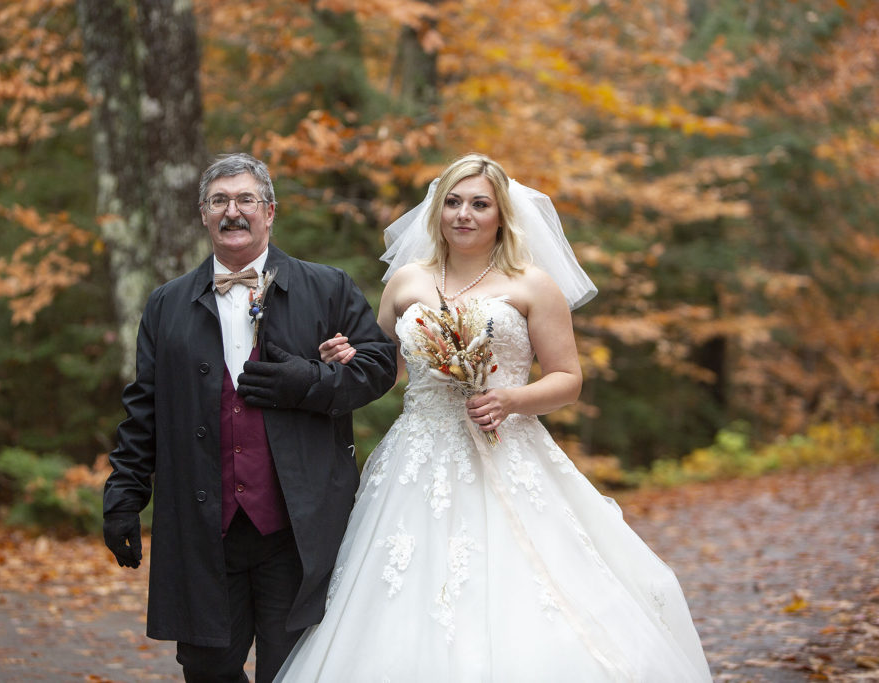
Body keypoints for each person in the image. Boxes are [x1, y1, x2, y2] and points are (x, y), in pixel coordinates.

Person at [276, 153, 713, 681]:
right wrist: (348, 359)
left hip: (508, 447)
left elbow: (567, 379)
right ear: (437, 211)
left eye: (480, 204)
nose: (464, 214)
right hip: (417, 454)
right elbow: (386, 371)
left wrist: (512, 400)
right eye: (453, 203)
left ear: (502, 215)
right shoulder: (407, 282)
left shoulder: (532, 285)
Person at [101, 152, 398, 682]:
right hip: (202, 526)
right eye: (219, 201)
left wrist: (308, 382)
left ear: (270, 211)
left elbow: (378, 367)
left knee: (294, 670)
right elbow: (144, 407)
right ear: (203, 213)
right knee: (207, 667)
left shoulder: (326, 288)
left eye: (245, 200)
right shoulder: (166, 305)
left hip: (295, 526)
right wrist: (124, 496)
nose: (232, 212)